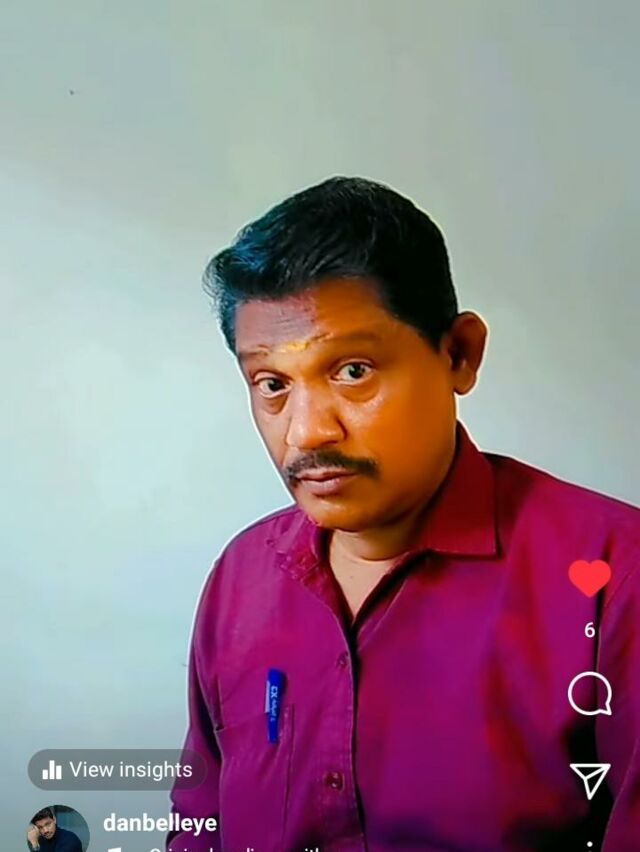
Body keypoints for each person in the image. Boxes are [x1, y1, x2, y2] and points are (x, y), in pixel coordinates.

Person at [167, 176, 640, 852]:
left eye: (352, 371)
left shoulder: (615, 582)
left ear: (459, 354)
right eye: (272, 384)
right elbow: (198, 825)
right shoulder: (240, 579)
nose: (306, 432)